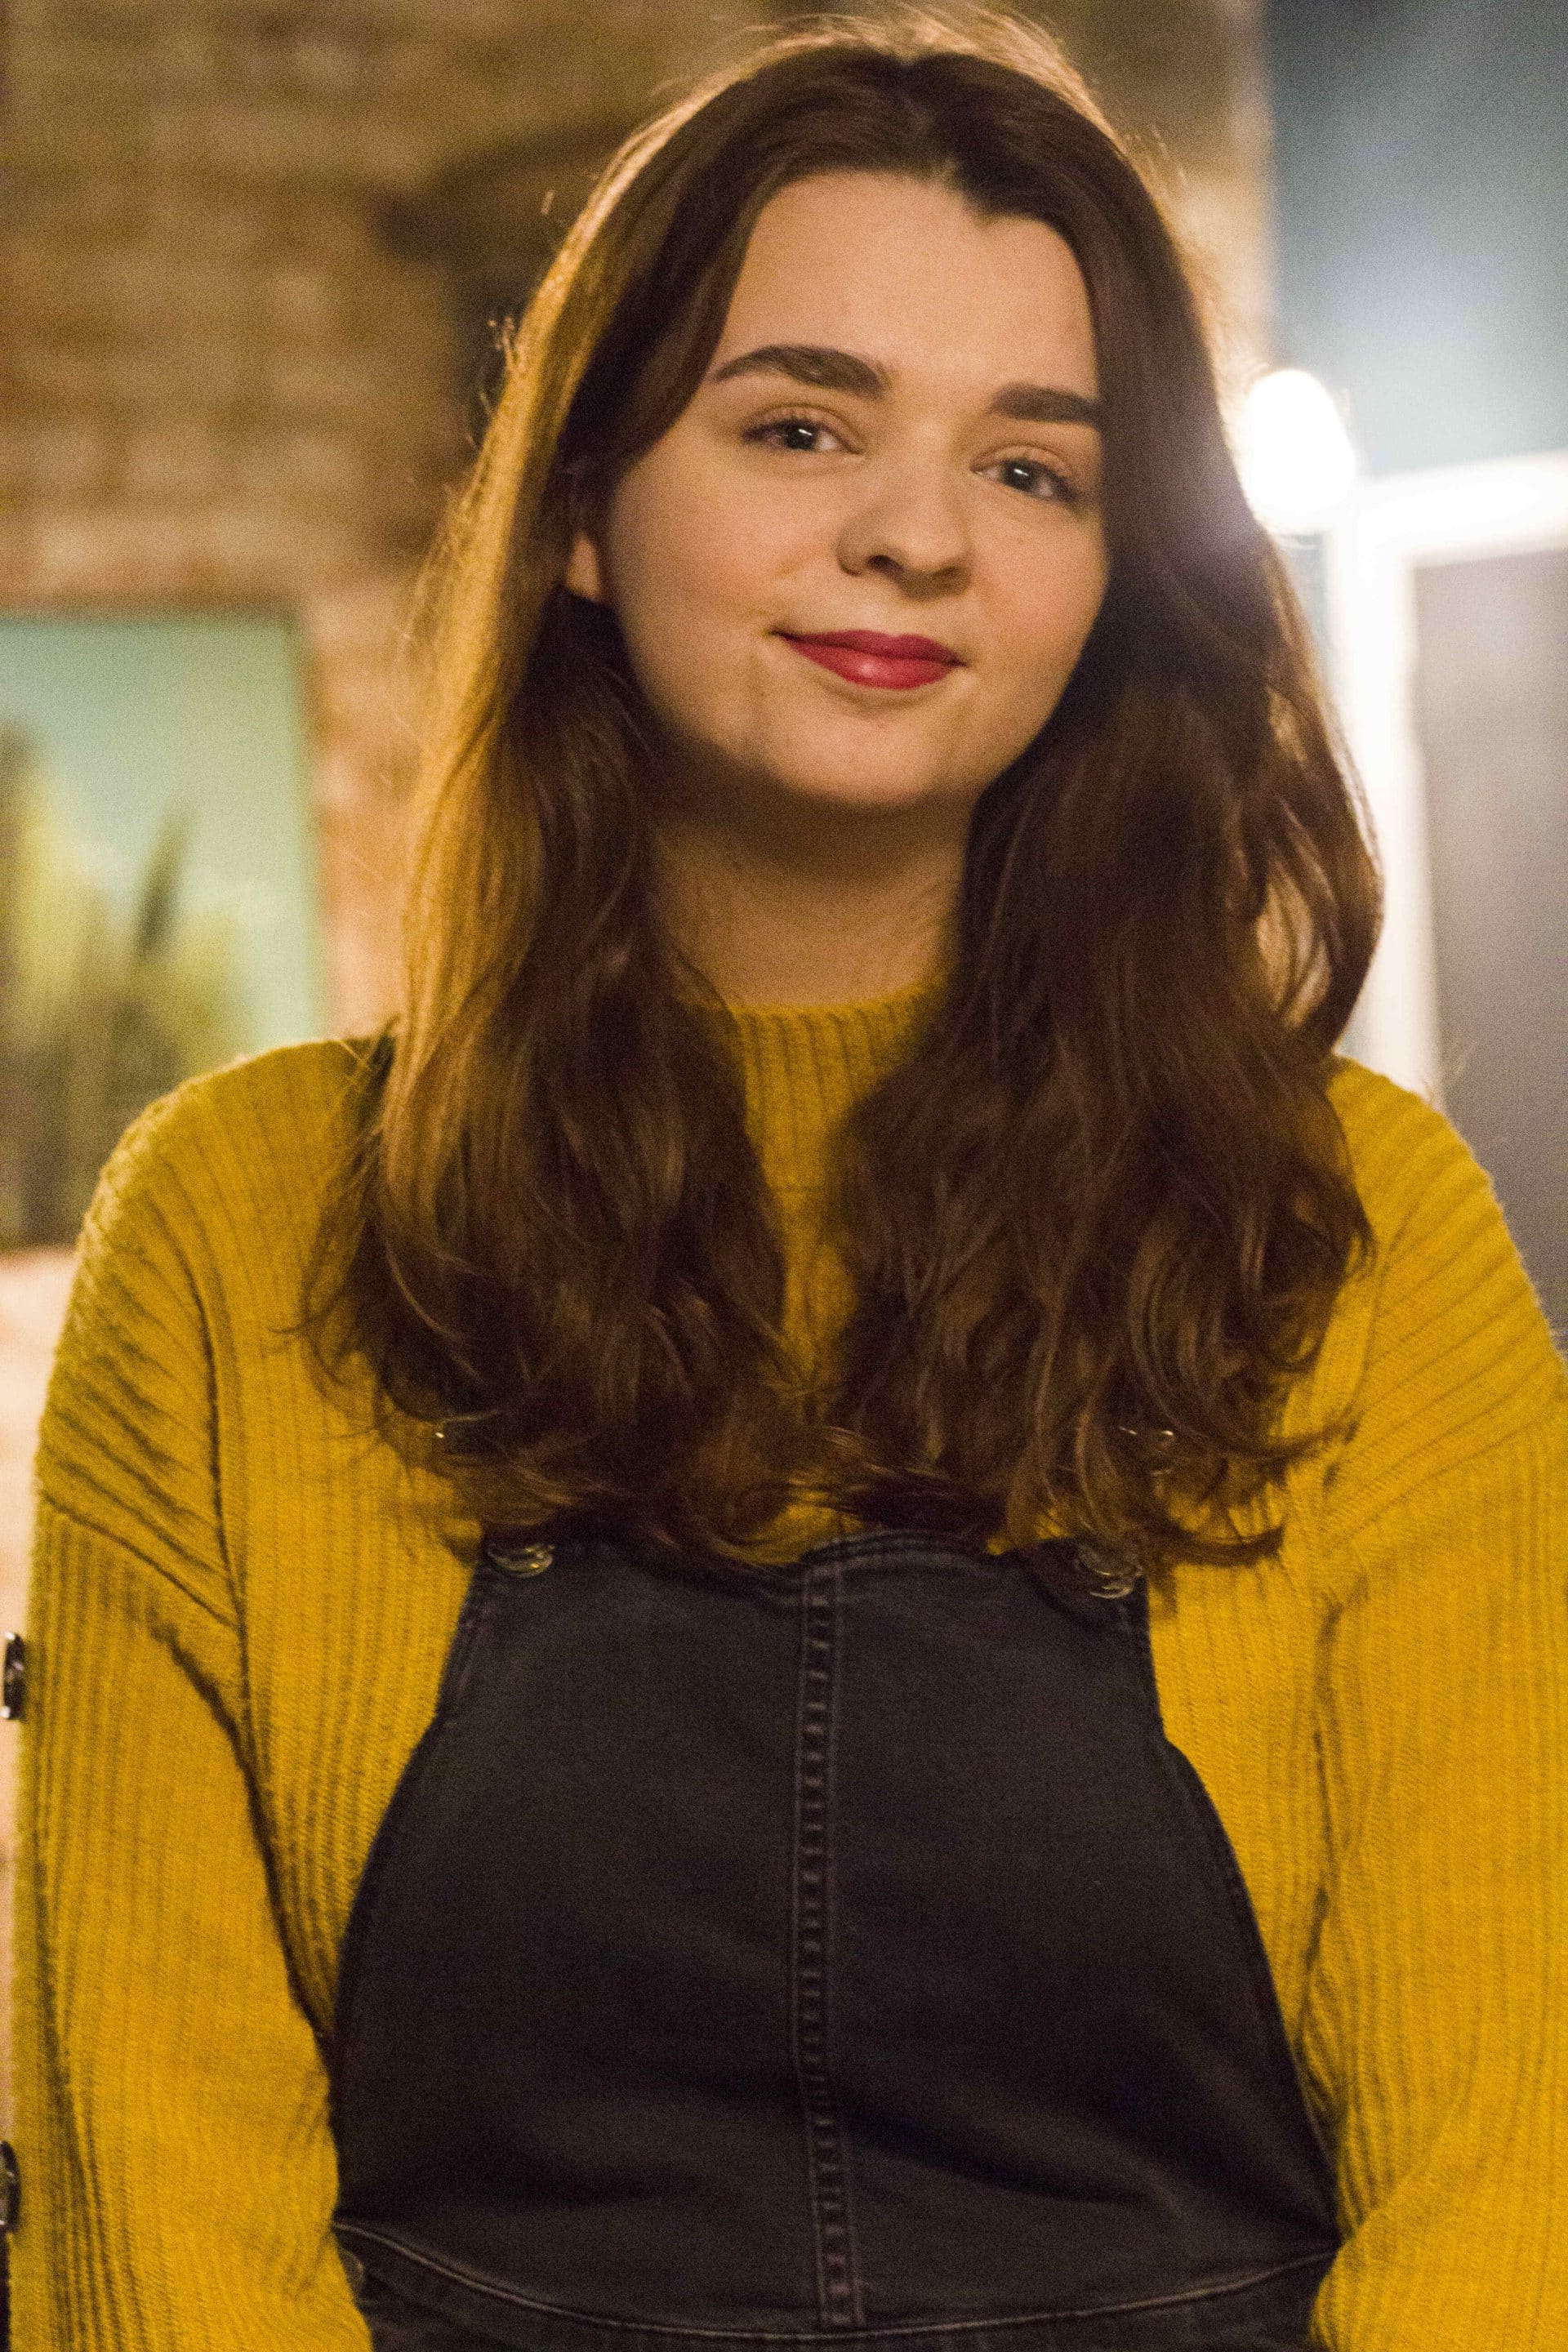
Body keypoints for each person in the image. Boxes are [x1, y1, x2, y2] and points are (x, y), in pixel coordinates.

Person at [12, 8, 1567, 2349]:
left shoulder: (1356, 1235)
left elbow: (1511, 2169)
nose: (916, 534)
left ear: (1113, 575)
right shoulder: (235, 1239)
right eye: (800, 425)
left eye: (1032, 469)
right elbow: (157, 2191)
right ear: (576, 510)